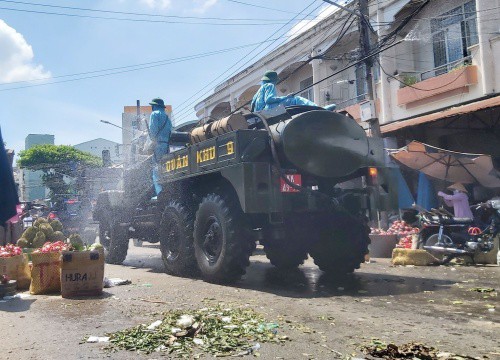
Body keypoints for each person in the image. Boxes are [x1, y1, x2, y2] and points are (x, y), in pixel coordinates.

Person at [250, 70, 336, 112]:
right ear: (273, 79)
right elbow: (269, 100)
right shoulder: (270, 85)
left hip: (260, 113)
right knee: (296, 99)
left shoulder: (258, 92)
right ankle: (319, 109)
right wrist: (286, 97)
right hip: (268, 109)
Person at [148, 97, 172, 196]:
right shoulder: (167, 117)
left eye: (152, 106)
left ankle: (160, 194)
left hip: (158, 145)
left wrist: (150, 145)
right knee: (165, 169)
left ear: (154, 106)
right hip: (167, 146)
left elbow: (153, 131)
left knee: (156, 170)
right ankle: (167, 190)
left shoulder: (154, 114)